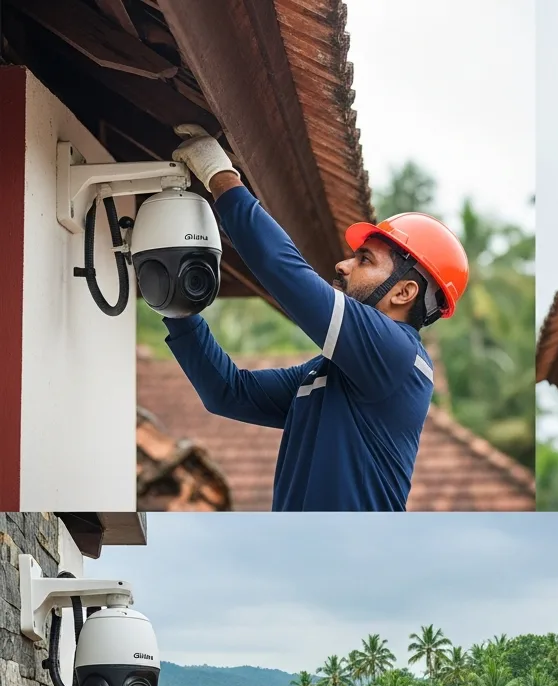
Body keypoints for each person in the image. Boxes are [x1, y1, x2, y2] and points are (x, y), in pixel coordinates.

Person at [165, 124, 470, 511]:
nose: (342, 265)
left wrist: (220, 176)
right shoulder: (330, 375)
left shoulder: (396, 356)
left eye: (364, 260)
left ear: (403, 292)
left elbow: (286, 273)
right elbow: (228, 393)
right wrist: (176, 307)